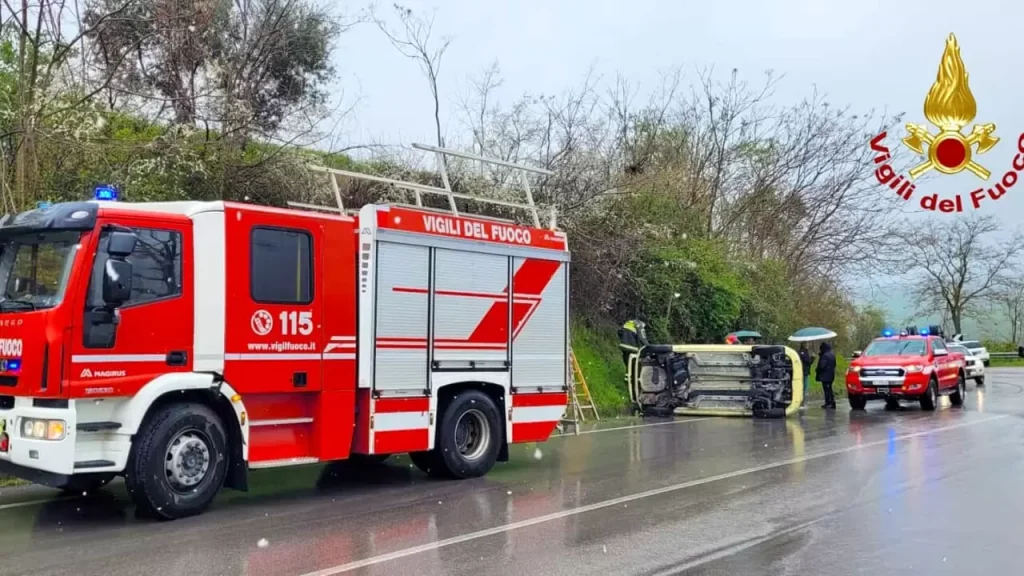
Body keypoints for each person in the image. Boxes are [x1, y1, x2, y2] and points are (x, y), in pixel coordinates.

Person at [816, 341, 837, 409]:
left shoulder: (824, 355)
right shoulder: (832, 355)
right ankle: (832, 402)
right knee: (829, 388)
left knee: (826, 389)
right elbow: (834, 364)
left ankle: (828, 403)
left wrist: (817, 370)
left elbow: (822, 366)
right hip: (831, 375)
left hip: (825, 376)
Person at [798, 343, 814, 408]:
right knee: (804, 386)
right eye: (807, 344)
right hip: (804, 371)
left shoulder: (799, 352)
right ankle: (802, 401)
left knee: (802, 385)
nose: (808, 345)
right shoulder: (803, 352)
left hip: (800, 371)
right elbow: (808, 362)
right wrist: (813, 357)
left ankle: (801, 400)